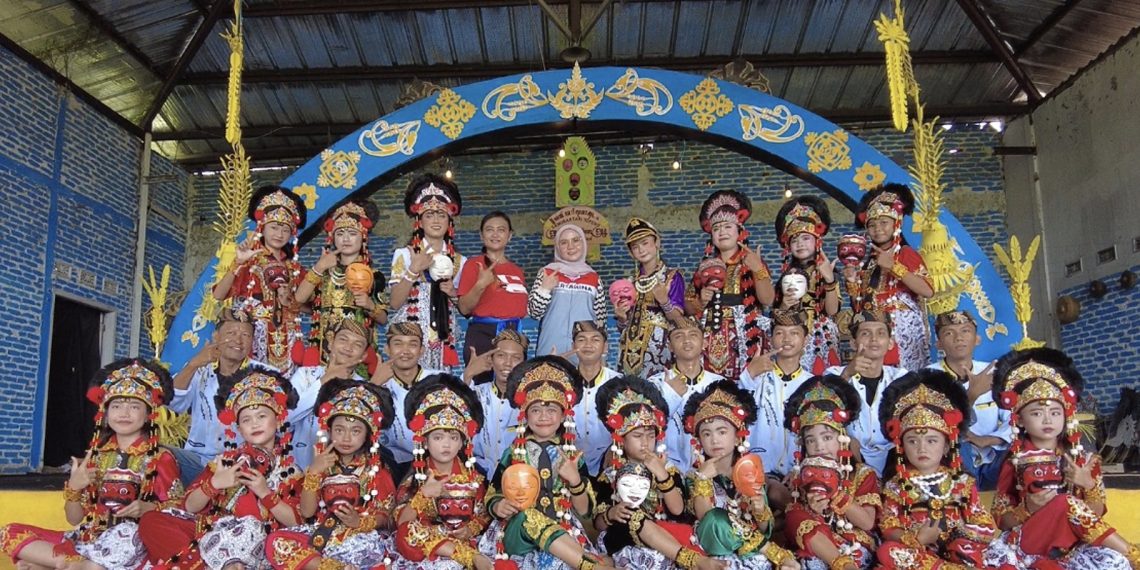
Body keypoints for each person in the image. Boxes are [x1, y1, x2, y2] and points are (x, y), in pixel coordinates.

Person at [1, 359, 181, 569]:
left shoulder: (160, 457)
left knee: (125, 536)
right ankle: (71, 563)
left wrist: (148, 508)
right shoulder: (96, 457)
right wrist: (75, 487)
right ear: (104, 413)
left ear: (149, 413)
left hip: (129, 542)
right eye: (116, 405)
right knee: (8, 532)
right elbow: (75, 519)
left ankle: (64, 565)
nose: (124, 413)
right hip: (88, 538)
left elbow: (179, 510)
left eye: (134, 406)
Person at [989, 348, 1140, 568]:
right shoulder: (1016, 461)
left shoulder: (1082, 459)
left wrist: (1087, 484)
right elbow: (1001, 519)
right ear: (1019, 420)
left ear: (1066, 415)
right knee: (1066, 502)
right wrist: (1026, 508)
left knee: (1113, 564)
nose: (1048, 419)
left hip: (1074, 544)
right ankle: (1134, 554)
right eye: (1037, 413)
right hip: (1031, 540)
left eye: (1055, 413)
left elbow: (1095, 515)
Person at [139, 369, 302, 569]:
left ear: (278, 420)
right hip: (209, 531)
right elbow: (190, 506)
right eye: (246, 419)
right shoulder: (224, 461)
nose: (255, 424)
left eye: (261, 416)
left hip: (256, 539)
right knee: (151, 522)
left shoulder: (289, 470)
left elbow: (296, 522)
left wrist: (265, 493)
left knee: (249, 532)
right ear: (239, 428)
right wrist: (215, 483)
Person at [479, 356, 612, 570]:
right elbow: (492, 493)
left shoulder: (572, 455)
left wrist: (575, 480)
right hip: (517, 530)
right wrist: (498, 505)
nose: (543, 417)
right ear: (525, 416)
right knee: (529, 516)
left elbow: (586, 511)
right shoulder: (514, 452)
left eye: (551, 410)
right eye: (536, 410)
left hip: (563, 530)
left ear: (563, 416)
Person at [875, 369, 1004, 569]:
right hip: (918, 550)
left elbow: (983, 523)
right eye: (912, 441)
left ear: (946, 446)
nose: (921, 448)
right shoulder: (896, 485)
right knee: (887, 552)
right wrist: (917, 539)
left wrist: (957, 534)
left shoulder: (962, 483)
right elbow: (889, 525)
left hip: (959, 549)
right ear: (901, 446)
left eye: (931, 440)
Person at [593, 375, 721, 570]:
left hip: (666, 538)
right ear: (621, 439)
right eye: (637, 436)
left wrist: (662, 475)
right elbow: (598, 524)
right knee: (633, 518)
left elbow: (677, 510)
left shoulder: (668, 469)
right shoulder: (610, 474)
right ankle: (693, 561)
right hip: (624, 540)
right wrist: (611, 513)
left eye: (650, 435)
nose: (645, 442)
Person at [265, 379, 396, 569]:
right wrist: (314, 473)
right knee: (276, 542)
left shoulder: (376, 468)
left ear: (368, 434)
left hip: (358, 537)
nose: (346, 438)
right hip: (322, 535)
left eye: (356, 431)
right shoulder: (321, 464)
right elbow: (308, 512)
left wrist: (359, 521)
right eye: (339, 430)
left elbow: (385, 515)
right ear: (330, 431)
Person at [683, 380, 800, 570]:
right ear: (699, 440)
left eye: (722, 431)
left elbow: (764, 530)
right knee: (716, 519)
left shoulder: (749, 472)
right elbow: (707, 522)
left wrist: (761, 509)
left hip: (749, 553)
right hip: (711, 552)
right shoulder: (693, 476)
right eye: (706, 434)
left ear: (738, 436)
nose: (714, 440)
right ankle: (774, 554)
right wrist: (703, 480)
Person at [391, 374, 494, 570]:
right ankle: (468, 557)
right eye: (438, 437)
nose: (446, 444)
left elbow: (483, 515)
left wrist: (469, 530)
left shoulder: (474, 477)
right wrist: (423, 495)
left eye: (453, 437)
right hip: (430, 542)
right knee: (406, 535)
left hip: (461, 538)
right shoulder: (415, 477)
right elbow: (402, 522)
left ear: (463, 442)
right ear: (425, 442)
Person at [782, 375, 879, 570]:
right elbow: (797, 524)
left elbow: (868, 523)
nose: (819, 446)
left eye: (827, 437)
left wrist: (836, 495)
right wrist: (813, 510)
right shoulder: (797, 476)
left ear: (842, 438)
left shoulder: (861, 474)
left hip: (853, 544)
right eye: (810, 440)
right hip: (816, 544)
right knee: (795, 515)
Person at [212, 185, 308, 375]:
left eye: (285, 230)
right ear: (262, 227)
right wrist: (238, 263)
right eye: (274, 228)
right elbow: (218, 294)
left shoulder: (295, 267)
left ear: (292, 234)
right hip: (254, 333)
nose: (279, 235)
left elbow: (311, 307)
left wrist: (291, 301)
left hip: (288, 335)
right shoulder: (249, 260)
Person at [168, 311, 269, 486]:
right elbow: (174, 402)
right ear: (216, 336)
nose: (238, 341)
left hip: (243, 462)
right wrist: (193, 364)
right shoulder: (200, 368)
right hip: (199, 459)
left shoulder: (264, 375)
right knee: (159, 455)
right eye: (231, 333)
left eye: (245, 335)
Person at [843, 184, 933, 371]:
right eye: (872, 225)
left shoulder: (906, 254)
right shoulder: (868, 262)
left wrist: (894, 267)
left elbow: (927, 290)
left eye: (884, 222)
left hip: (902, 329)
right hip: (875, 332)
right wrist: (852, 283)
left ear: (896, 223)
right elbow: (859, 305)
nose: (878, 229)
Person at [687, 190, 775, 379]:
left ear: (739, 230)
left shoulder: (751, 261)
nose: (722, 232)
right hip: (710, 335)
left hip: (745, 336)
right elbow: (687, 305)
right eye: (717, 229)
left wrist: (758, 269)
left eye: (728, 227)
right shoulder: (703, 267)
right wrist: (701, 301)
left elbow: (767, 300)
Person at [294, 199, 388, 366]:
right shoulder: (322, 272)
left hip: (357, 353)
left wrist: (370, 306)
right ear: (333, 238)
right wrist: (319, 266)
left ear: (363, 237)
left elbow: (383, 319)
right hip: (323, 350)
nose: (346, 239)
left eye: (352, 233)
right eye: (340, 233)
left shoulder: (374, 275)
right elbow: (299, 299)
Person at [388, 174, 466, 370]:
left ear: (450, 222)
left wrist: (454, 295)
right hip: (409, 337)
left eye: (441, 215)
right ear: (419, 222)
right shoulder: (404, 255)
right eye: (429, 215)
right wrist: (414, 269)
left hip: (443, 339)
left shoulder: (460, 261)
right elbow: (395, 303)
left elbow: (465, 310)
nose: (436, 220)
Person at [926, 310, 1009, 490]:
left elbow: (1015, 417)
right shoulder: (927, 378)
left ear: (977, 339)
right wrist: (970, 397)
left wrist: (988, 439)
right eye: (949, 333)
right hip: (951, 461)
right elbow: (930, 425)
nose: (959, 338)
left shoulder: (993, 374)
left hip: (993, 456)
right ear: (938, 343)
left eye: (965, 331)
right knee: (958, 443)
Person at [824, 309, 908, 476]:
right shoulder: (834, 374)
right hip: (850, 457)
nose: (874, 339)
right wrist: (847, 374)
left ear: (890, 343)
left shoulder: (901, 378)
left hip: (895, 455)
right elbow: (824, 410)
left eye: (881, 333)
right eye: (865, 333)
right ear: (854, 343)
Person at [743, 308, 815, 478]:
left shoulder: (813, 384)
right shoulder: (756, 377)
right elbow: (737, 410)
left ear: (805, 340)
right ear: (771, 339)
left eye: (794, 333)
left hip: (798, 472)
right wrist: (749, 375)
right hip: (758, 470)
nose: (787, 339)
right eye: (780, 333)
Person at [457, 211, 528, 384]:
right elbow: (464, 308)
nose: (495, 234)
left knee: (513, 388)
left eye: (501, 230)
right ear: (482, 236)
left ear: (509, 236)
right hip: (484, 335)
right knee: (482, 388)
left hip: (514, 335)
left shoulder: (517, 271)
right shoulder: (473, 265)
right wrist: (481, 284)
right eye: (489, 230)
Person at [289, 319, 370, 470]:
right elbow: (287, 417)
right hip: (298, 465)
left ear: (364, 356)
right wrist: (325, 380)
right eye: (343, 340)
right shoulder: (305, 375)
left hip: (345, 471)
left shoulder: (364, 387)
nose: (348, 347)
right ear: (331, 343)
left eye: (357, 345)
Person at [774, 196, 840, 374]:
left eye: (805, 238)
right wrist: (784, 305)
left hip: (820, 335)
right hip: (792, 334)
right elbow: (778, 313)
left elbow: (832, 310)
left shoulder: (826, 271)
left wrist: (829, 279)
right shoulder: (786, 276)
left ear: (817, 241)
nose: (800, 244)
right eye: (794, 240)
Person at [647, 318, 724, 471]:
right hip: (664, 469)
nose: (687, 340)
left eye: (693, 335)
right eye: (679, 336)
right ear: (670, 346)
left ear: (704, 343)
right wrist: (669, 395)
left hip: (710, 469)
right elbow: (645, 428)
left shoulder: (719, 385)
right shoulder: (653, 384)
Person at [374, 322, 447, 482]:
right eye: (398, 344)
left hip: (435, 460)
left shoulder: (440, 380)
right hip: (394, 462)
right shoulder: (379, 382)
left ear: (421, 350)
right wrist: (374, 385)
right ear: (387, 349)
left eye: (412, 344)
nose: (405, 351)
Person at [616, 217, 688, 377]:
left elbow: (679, 321)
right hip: (629, 349)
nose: (641, 250)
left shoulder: (671, 277)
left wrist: (664, 301)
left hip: (659, 349)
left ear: (657, 243)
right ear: (631, 252)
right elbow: (625, 325)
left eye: (645, 243)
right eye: (635, 246)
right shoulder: (630, 282)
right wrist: (621, 319)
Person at [529, 222, 608, 362]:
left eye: (576, 240)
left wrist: (602, 356)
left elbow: (601, 321)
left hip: (584, 352)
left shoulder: (594, 278)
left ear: (583, 243)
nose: (571, 246)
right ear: (558, 247)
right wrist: (545, 289)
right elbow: (534, 313)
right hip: (551, 347)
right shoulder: (547, 273)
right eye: (564, 242)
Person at [465, 329, 528, 478]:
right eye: (501, 355)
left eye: (516, 357)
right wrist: (467, 375)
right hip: (477, 476)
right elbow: (450, 410)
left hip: (519, 479)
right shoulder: (475, 394)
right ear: (491, 360)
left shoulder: (531, 400)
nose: (507, 363)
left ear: (524, 363)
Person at [570, 321, 622, 476]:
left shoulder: (619, 383)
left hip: (608, 463)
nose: (588, 345)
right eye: (581, 340)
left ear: (605, 347)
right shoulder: (563, 381)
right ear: (573, 347)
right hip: (568, 462)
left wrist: (616, 447)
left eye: (595, 340)